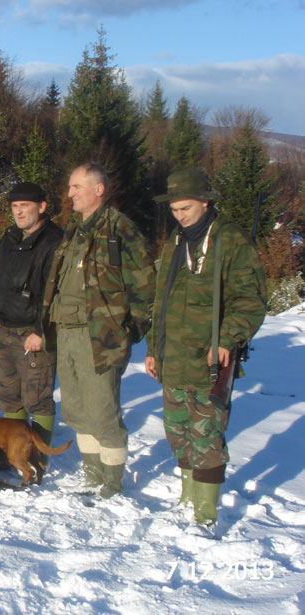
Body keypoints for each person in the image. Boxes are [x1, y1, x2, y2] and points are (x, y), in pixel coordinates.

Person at [145, 169, 266, 528]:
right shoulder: (175, 242)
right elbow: (160, 302)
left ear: (206, 202)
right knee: (176, 431)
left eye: (185, 208)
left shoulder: (231, 241)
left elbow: (252, 300)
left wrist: (228, 339)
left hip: (209, 359)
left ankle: (207, 513)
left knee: (207, 437)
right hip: (173, 357)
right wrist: (154, 348)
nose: (179, 215)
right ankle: (187, 497)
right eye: (174, 209)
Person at [43, 163, 156, 498]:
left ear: (98, 189)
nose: (69, 194)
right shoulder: (75, 230)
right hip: (67, 331)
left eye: (76, 187)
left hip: (100, 337)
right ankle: (92, 475)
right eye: (70, 187)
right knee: (76, 409)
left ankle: (112, 481)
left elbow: (145, 285)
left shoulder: (120, 229)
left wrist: (129, 330)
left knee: (103, 410)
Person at [0, 182, 63, 451]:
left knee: (38, 397)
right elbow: (0, 281)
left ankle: (39, 459)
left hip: (32, 332)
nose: (19, 213)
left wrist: (42, 331)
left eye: (25, 207)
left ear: (42, 207)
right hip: (5, 328)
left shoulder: (55, 241)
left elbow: (57, 293)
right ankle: (17, 451)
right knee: (8, 396)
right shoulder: (9, 238)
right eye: (15, 207)